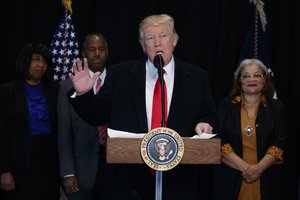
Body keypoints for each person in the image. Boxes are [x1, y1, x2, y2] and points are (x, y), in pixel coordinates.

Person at [67, 14, 218, 200]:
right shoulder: (120, 74)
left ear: (175, 40)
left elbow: (209, 114)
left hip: (179, 181)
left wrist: (205, 122)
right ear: (142, 44)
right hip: (129, 181)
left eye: (163, 36)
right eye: (150, 38)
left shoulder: (197, 77)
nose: (157, 43)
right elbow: (98, 116)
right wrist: (84, 94)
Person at [212, 58, 289, 200]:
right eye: (246, 75)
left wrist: (258, 169)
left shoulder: (277, 108)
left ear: (265, 79)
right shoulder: (225, 105)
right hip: (231, 179)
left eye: (257, 75)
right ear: (239, 80)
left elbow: (280, 143)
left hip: (267, 181)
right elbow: (218, 141)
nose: (251, 79)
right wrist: (246, 169)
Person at [0, 43, 60, 200]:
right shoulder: (8, 91)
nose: (41, 65)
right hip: (19, 163)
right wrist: (4, 170)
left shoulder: (55, 90)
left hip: (49, 161)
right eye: (36, 59)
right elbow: (2, 133)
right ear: (25, 62)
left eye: (45, 61)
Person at [57, 32, 109, 200]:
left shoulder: (120, 81)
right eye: (91, 49)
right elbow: (64, 133)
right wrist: (67, 173)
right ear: (83, 53)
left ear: (107, 52)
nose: (97, 53)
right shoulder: (67, 86)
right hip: (81, 170)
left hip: (114, 168)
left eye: (101, 49)